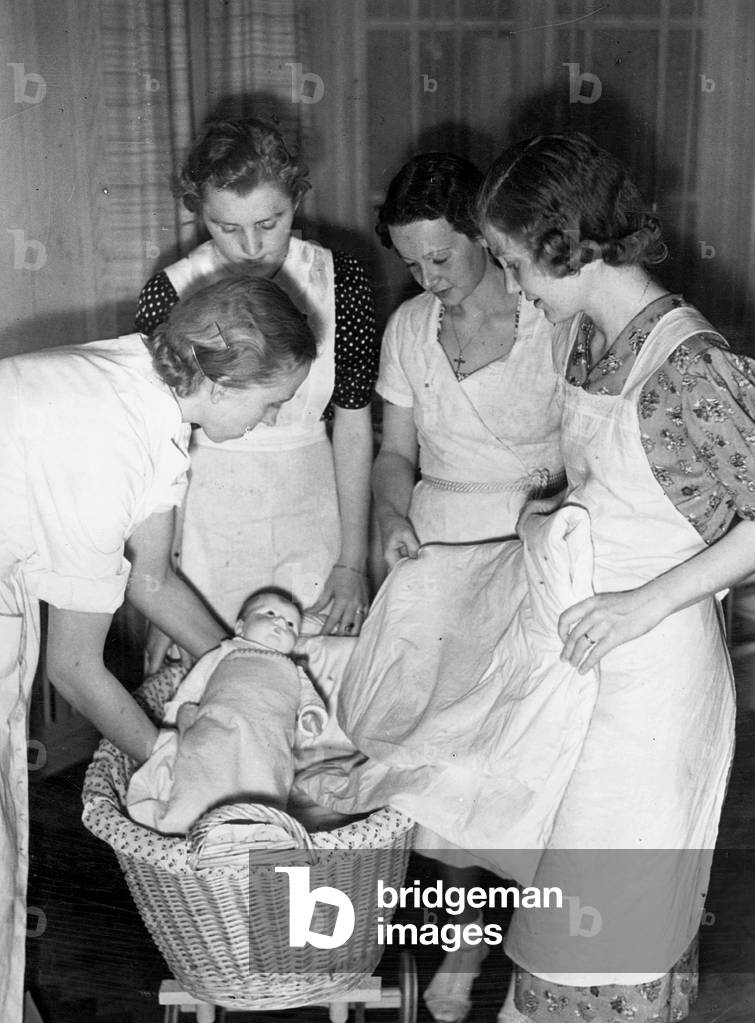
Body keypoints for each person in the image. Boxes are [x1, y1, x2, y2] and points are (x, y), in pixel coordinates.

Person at [474, 132, 755, 1021]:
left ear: (568, 245)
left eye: (516, 262)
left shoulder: (690, 363)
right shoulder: (591, 340)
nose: (515, 285)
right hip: (590, 661)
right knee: (561, 904)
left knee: (610, 918)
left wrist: (641, 602)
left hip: (652, 670)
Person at [0, 273, 317, 1023]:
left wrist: (253, 671)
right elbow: (75, 669)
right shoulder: (107, 434)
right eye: (270, 402)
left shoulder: (153, 401)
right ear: (224, 375)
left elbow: (151, 577)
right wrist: (178, 767)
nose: (271, 419)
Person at [372, 153, 565, 1023]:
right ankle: (434, 942)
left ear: (486, 237)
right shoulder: (410, 327)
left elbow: (591, 459)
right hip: (436, 557)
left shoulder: (551, 324)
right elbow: (393, 454)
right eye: (412, 262)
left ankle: (469, 947)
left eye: (441, 256)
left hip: (529, 557)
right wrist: (387, 516)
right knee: (428, 764)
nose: (428, 277)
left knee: (506, 762)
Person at [136, 116, 377, 653]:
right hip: (206, 523)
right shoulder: (168, 293)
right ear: (199, 212)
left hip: (316, 509)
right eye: (226, 227)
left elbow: (355, 425)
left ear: (296, 198)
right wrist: (163, 594)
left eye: (271, 222)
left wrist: (352, 561)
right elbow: (161, 450)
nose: (251, 246)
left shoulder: (343, 282)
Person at [127, 587, 328, 834]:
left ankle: (257, 834)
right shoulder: (225, 652)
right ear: (241, 627)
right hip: (216, 733)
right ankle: (183, 823)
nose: (280, 623)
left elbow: (310, 699)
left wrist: (311, 716)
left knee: (265, 790)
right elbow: (190, 690)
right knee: (201, 776)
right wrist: (173, 724)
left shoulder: (294, 669)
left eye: (291, 624)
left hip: (267, 746)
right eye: (271, 613)